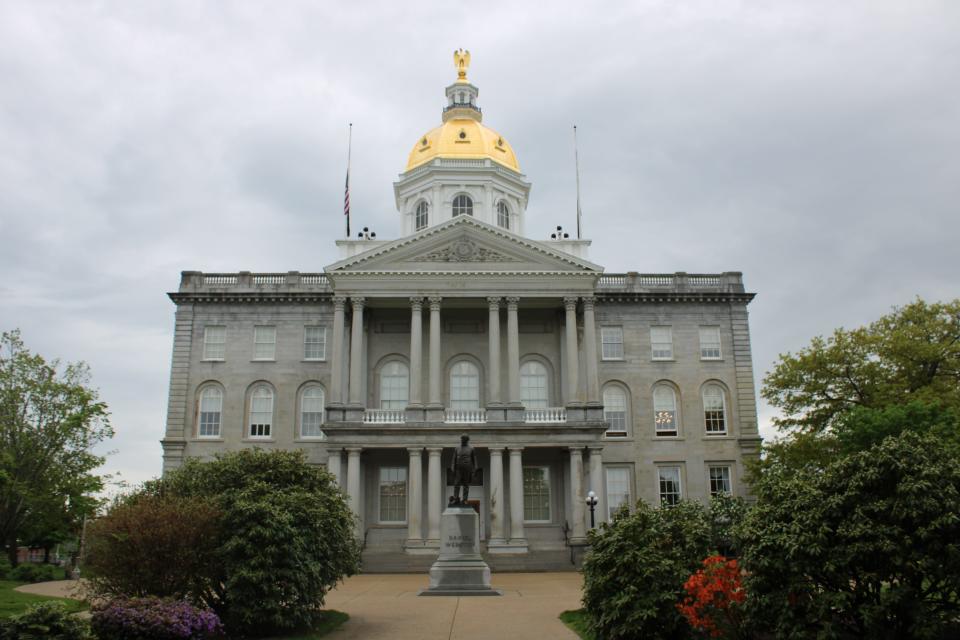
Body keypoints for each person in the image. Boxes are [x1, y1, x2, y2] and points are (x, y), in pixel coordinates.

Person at [449, 433, 477, 505]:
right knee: (456, 483)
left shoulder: (471, 448)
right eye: (461, 439)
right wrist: (452, 467)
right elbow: (453, 459)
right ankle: (455, 498)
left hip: (467, 468)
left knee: (466, 485)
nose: (462, 440)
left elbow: (474, 460)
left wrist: (474, 469)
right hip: (458, 468)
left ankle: (465, 500)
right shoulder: (457, 448)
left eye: (463, 439)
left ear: (467, 440)